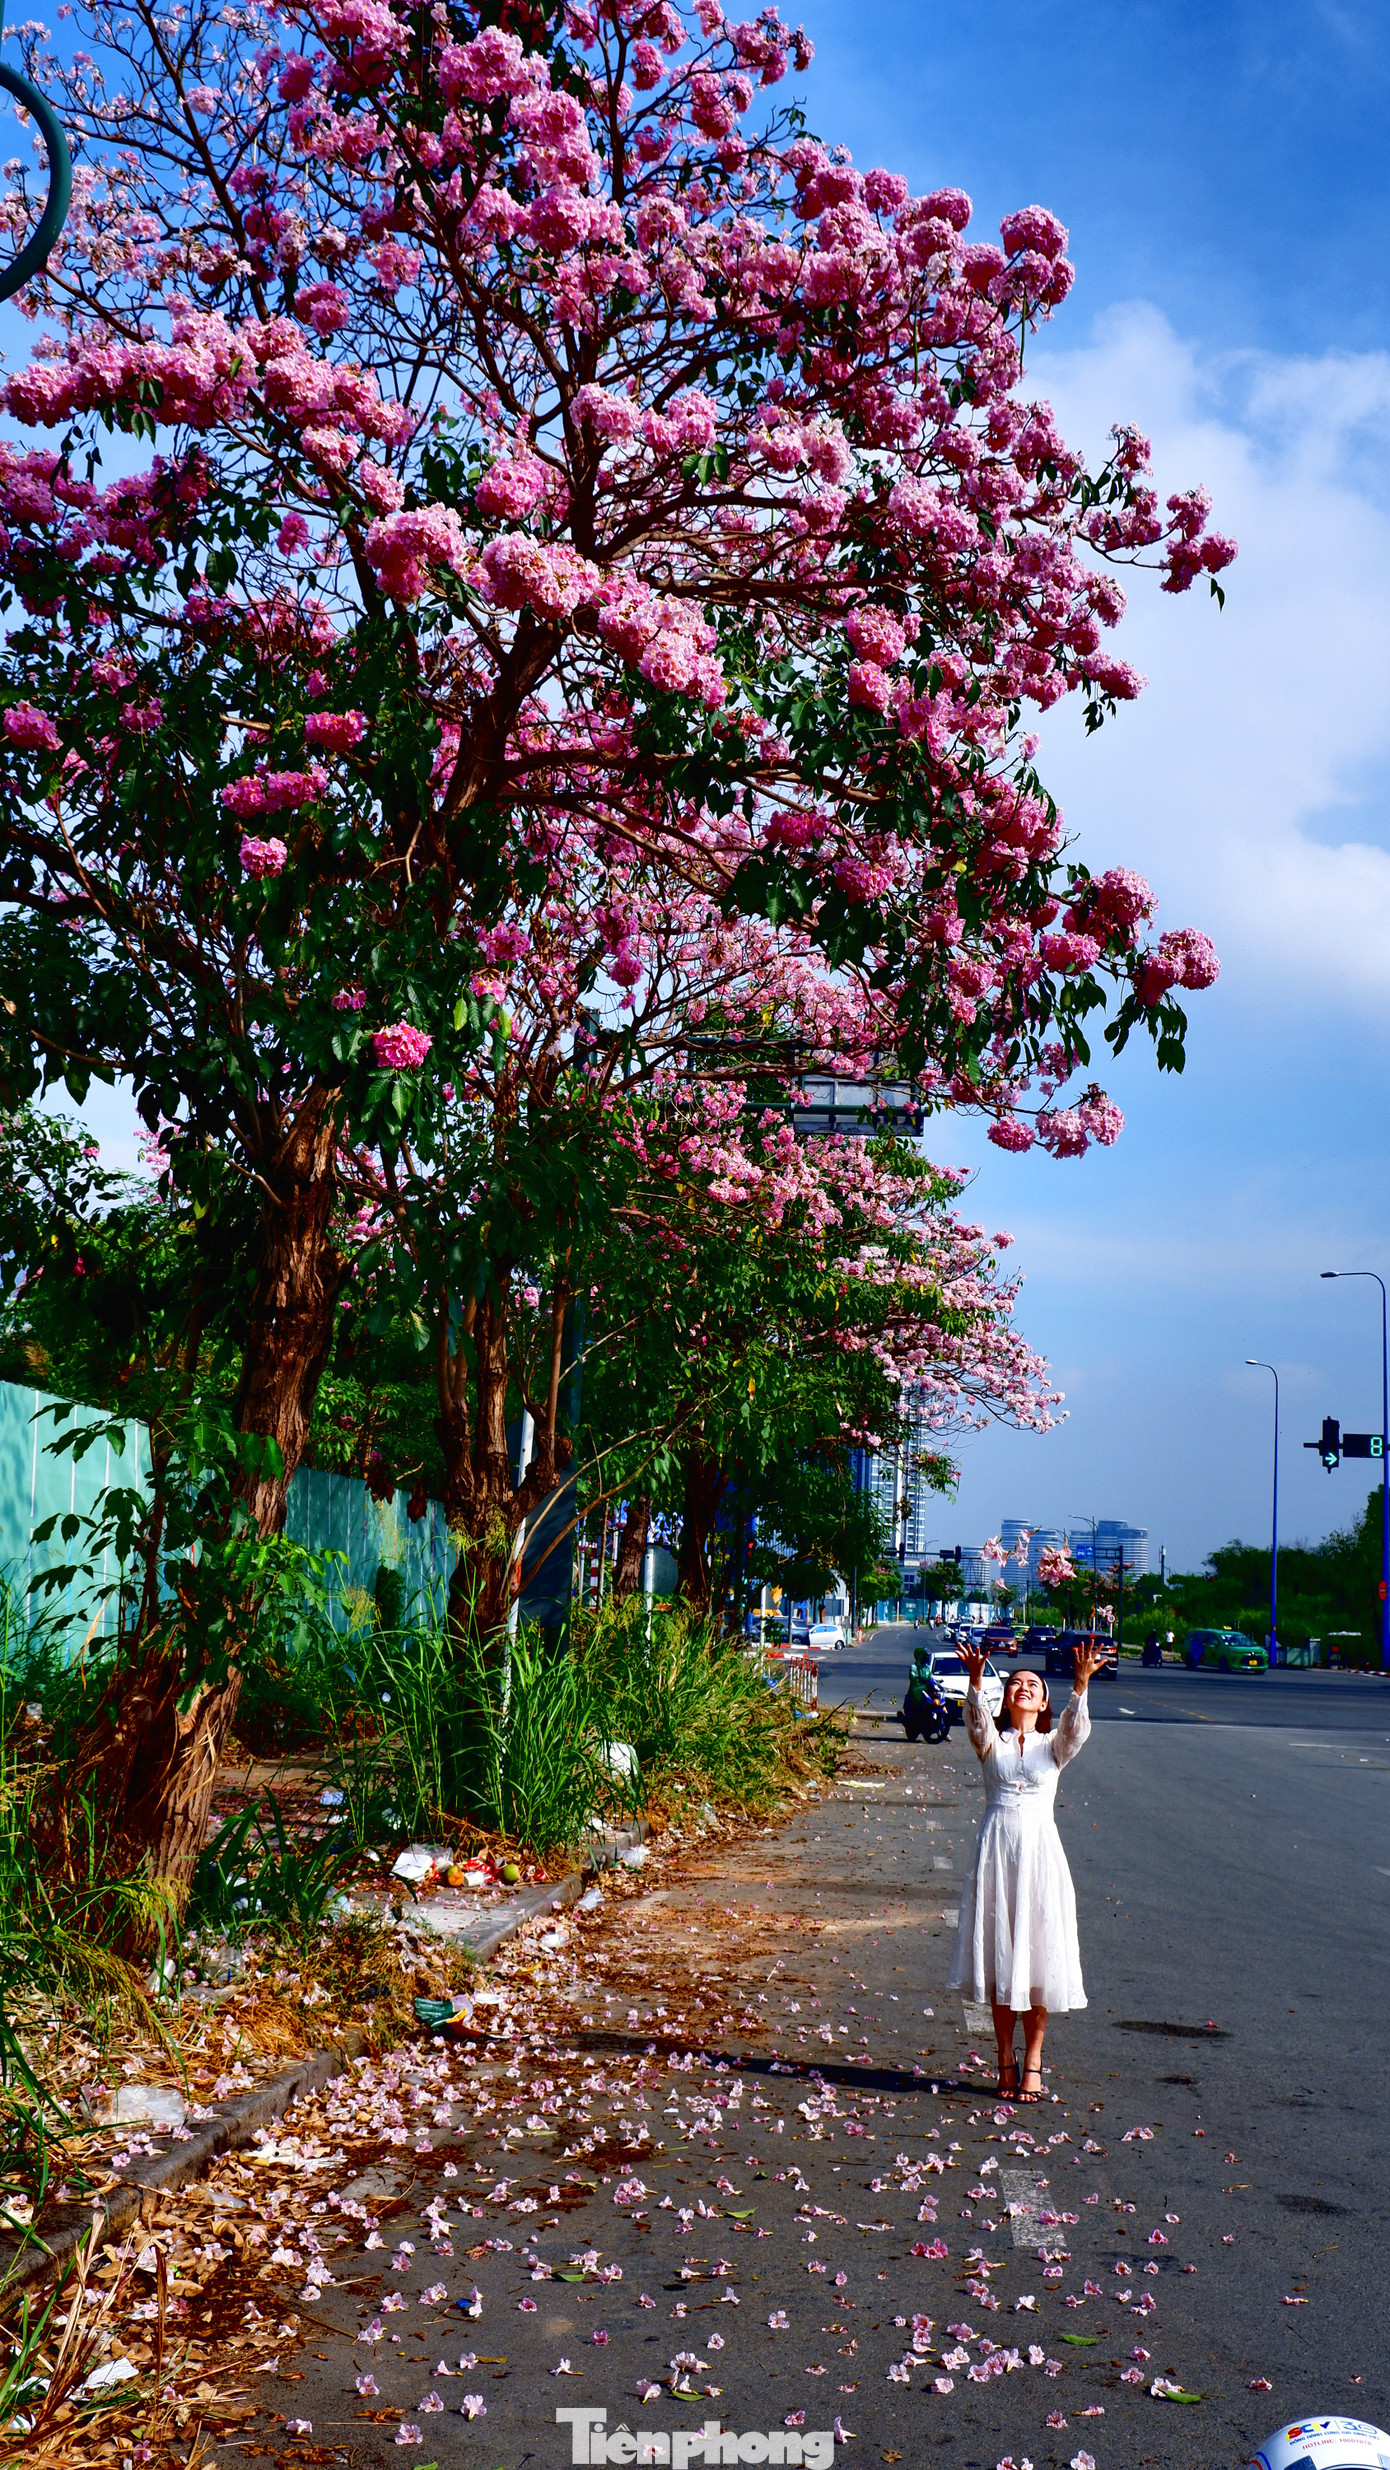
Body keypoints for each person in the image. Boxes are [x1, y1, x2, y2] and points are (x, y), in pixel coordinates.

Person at [945, 1641, 1106, 2101]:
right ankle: (1004, 2058)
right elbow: (975, 1724)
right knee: (1000, 1957)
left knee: (1036, 1958)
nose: (1023, 1688)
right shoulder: (990, 1744)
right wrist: (976, 1682)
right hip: (996, 1851)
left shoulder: (1053, 1747)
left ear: (1044, 1702)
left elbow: (1076, 1731)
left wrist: (1080, 1685)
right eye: (1015, 1683)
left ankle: (1033, 2058)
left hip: (1039, 1854)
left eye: (1032, 1685)